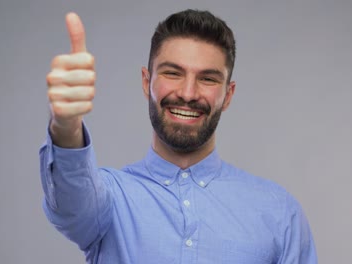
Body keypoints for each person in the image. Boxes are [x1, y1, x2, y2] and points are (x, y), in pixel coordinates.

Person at [40, 9, 317, 264]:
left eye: (208, 78)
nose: (187, 93)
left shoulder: (280, 213)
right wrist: (66, 126)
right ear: (146, 82)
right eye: (173, 73)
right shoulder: (108, 201)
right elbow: (70, 204)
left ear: (228, 95)